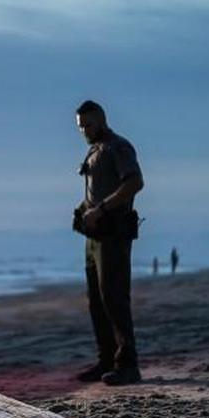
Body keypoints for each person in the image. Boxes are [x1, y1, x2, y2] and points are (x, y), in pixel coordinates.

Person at [72, 100, 144, 386]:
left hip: (113, 234)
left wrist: (100, 209)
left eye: (89, 124)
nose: (85, 130)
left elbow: (134, 183)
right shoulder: (94, 151)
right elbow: (95, 192)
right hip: (94, 236)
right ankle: (106, 359)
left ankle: (128, 365)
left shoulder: (118, 147)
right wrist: (83, 210)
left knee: (114, 299)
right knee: (96, 301)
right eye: (81, 127)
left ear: (102, 120)